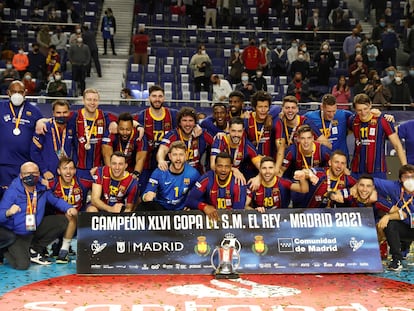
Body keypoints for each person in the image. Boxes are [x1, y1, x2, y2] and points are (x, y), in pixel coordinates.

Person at [0, 162, 77, 270]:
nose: (31, 176)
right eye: (27, 173)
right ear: (21, 175)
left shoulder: (42, 187)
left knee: (63, 221)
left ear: (39, 173)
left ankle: (34, 249)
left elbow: (55, 200)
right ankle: (5, 250)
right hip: (17, 234)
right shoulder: (12, 191)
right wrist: (8, 212)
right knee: (22, 265)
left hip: (34, 228)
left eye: (34, 173)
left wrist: (68, 208)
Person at [349, 93, 407, 179]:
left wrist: (405, 168)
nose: (363, 113)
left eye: (365, 109)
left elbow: (397, 145)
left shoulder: (383, 121)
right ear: (355, 109)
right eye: (359, 110)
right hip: (357, 170)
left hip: (377, 170)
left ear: (370, 105)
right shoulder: (352, 120)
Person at [48, 156, 93, 263]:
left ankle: (64, 250)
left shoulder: (82, 182)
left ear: (75, 170)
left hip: (77, 219)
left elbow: (100, 184)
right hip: (57, 222)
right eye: (65, 168)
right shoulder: (52, 184)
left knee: (88, 210)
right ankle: (56, 245)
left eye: (71, 168)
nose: (68, 172)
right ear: (59, 171)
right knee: (67, 215)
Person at [0, 81, 43, 187]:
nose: (17, 95)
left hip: (25, 165)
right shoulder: (1, 107)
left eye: (20, 92)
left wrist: (44, 121)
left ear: (25, 93)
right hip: (3, 164)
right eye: (14, 92)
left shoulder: (34, 111)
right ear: (8, 92)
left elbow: (42, 131)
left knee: (23, 198)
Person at [135, 85, 178, 191]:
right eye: (154, 96)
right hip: (147, 162)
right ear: (149, 98)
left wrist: (197, 126)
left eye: (160, 96)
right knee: (145, 193)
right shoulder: (142, 116)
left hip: (167, 162)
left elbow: (190, 119)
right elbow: (125, 119)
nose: (157, 99)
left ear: (164, 98)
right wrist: (137, 125)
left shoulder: (173, 114)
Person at [185, 152, 248, 221]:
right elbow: (189, 200)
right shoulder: (207, 178)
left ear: (231, 167)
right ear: (215, 166)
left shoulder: (239, 183)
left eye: (226, 166)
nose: (223, 170)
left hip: (229, 221)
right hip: (210, 219)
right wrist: (204, 207)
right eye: (220, 166)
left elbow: (237, 213)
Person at [139, 141, 200, 211]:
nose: (178, 159)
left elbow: (200, 194)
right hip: (161, 209)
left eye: (181, 155)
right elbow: (146, 192)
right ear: (169, 156)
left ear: (186, 156)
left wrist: (192, 205)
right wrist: (146, 196)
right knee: (142, 207)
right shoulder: (159, 171)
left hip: (182, 211)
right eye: (175, 155)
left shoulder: (193, 173)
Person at [375, 164, 414, 270]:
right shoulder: (394, 187)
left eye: (412, 177)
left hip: (410, 223)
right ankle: (397, 259)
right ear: (400, 179)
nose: (410, 180)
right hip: (405, 227)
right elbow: (371, 181)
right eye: (406, 177)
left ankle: (405, 247)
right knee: (390, 224)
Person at [67, 88, 112, 173]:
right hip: (78, 168)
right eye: (89, 100)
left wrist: (138, 126)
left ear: (98, 101)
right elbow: (56, 119)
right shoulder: (74, 116)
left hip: (98, 169)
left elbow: (126, 120)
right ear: (83, 100)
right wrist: (41, 121)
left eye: (95, 100)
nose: (92, 103)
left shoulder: (105, 116)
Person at [157, 107, 212, 174]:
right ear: (179, 123)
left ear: (195, 123)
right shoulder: (173, 135)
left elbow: (217, 143)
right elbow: (162, 149)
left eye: (191, 121)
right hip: (177, 174)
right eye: (184, 120)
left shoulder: (202, 133)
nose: (187, 124)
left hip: (196, 174)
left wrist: (221, 135)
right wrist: (161, 160)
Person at [274, 96, 318, 175]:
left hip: (301, 162)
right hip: (284, 161)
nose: (290, 110)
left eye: (293, 108)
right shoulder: (279, 122)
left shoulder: (305, 121)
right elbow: (280, 148)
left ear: (297, 109)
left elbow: (323, 142)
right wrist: (277, 169)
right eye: (287, 108)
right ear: (282, 109)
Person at [31, 100, 73, 181]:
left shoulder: (72, 128)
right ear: (53, 113)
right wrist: (44, 170)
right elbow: (34, 152)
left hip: (66, 174)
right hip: (48, 175)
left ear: (69, 113)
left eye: (65, 112)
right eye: (58, 112)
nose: (62, 115)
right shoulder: (44, 128)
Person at [211, 117, 262, 183]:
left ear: (243, 130)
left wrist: (258, 178)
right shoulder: (220, 140)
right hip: (218, 175)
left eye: (239, 131)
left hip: (236, 177)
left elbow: (262, 166)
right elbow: (213, 166)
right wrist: (234, 170)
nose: (236, 135)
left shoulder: (247, 145)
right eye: (233, 131)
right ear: (228, 130)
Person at [102, 112, 147, 177]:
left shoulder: (139, 136)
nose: (125, 133)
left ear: (132, 127)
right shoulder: (110, 134)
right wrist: (112, 175)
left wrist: (135, 174)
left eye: (128, 129)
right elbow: (107, 156)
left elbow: (141, 159)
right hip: (114, 169)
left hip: (132, 171)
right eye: (121, 129)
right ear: (117, 127)